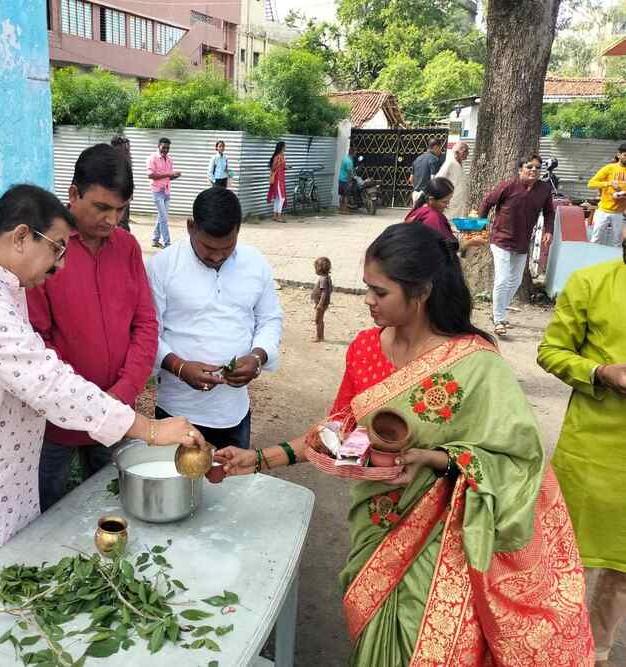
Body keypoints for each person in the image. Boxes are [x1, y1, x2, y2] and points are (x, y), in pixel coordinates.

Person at [216, 222, 593, 666]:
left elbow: (519, 459)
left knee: (424, 646)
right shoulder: (363, 349)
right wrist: (258, 458)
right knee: (375, 633)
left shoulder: (474, 363)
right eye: (366, 290)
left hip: (444, 537)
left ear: (422, 292)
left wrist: (435, 458)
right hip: (376, 525)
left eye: (380, 292)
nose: (368, 302)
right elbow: (338, 430)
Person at [0, 184, 205, 666]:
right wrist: (151, 430)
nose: (60, 266)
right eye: (56, 251)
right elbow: (47, 381)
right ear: (21, 237)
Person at [26, 144, 158, 512]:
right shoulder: (46, 251)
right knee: (45, 508)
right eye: (102, 207)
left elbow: (145, 324)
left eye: (120, 209)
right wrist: (82, 401)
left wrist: (124, 389)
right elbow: (37, 340)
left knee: (109, 503)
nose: (112, 220)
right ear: (73, 194)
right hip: (54, 420)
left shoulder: (128, 248)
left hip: (115, 411)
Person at [537, 239, 626, 665]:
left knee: (621, 575)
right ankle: (553, 649)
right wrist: (600, 371)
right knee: (568, 561)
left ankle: (597, 653)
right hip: (591, 452)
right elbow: (551, 351)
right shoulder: (591, 282)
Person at [148, 186, 283, 450]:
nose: (217, 255)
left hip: (233, 411)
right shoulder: (162, 265)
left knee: (231, 484)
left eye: (227, 247)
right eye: (208, 246)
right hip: (177, 411)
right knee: (177, 486)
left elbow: (270, 319)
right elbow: (148, 331)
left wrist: (257, 357)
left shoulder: (255, 263)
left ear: (238, 231)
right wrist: (179, 366)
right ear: (190, 227)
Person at [478, 154, 554, 337]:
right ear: (520, 170)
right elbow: (487, 203)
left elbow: (549, 212)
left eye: (537, 167)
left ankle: (500, 312)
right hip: (501, 239)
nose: (533, 170)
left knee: (516, 281)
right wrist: (480, 225)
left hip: (522, 241)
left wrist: (548, 231)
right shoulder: (508, 186)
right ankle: (498, 320)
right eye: (529, 167)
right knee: (503, 279)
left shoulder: (543, 189)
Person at [586, 142, 626, 246]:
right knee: (596, 240)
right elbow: (591, 183)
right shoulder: (609, 168)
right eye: (625, 155)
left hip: (619, 213)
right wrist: (609, 183)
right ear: (619, 155)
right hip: (603, 211)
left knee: (617, 243)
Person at [147, 137, 180, 248]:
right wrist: (169, 174)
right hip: (157, 191)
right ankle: (167, 244)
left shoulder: (170, 160)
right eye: (164, 147)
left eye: (167, 148)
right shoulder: (153, 158)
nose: (165, 150)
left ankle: (155, 240)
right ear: (159, 146)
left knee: (161, 217)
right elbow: (150, 175)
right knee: (164, 218)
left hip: (166, 192)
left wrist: (175, 176)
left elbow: (169, 178)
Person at [404, 176, 456, 242]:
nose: (447, 206)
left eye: (449, 200)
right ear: (431, 199)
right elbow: (446, 247)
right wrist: (466, 244)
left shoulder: (421, 209)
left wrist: (445, 229)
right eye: (444, 202)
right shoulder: (432, 217)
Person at [435, 142, 470, 220]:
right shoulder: (450, 163)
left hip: (460, 200)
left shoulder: (460, 164)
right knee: (450, 222)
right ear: (457, 152)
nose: (467, 154)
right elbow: (438, 179)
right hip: (452, 201)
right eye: (465, 151)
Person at [409, 138, 443, 205]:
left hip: (415, 194)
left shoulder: (417, 159)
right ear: (435, 147)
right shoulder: (434, 159)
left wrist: (417, 188)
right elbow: (433, 179)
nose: (440, 151)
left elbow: (411, 179)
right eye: (440, 148)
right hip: (426, 196)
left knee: (417, 214)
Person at [109, 135, 133, 232]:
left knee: (123, 221)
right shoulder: (111, 158)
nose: (127, 148)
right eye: (125, 146)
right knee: (120, 221)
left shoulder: (126, 157)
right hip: (116, 194)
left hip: (124, 194)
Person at [311, 256, 333, 343]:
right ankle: (321, 336)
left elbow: (324, 292)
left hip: (322, 303)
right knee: (320, 319)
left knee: (318, 320)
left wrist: (320, 304)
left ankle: (318, 337)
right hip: (323, 303)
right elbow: (329, 290)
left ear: (319, 269)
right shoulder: (327, 277)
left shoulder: (323, 279)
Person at [267, 141, 288, 223]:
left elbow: (282, 167)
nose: (286, 148)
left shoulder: (282, 156)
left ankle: (275, 216)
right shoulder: (278, 157)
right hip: (278, 180)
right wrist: (279, 164)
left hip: (281, 179)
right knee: (282, 198)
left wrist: (285, 167)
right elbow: (272, 168)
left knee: (277, 198)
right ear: (282, 147)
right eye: (285, 146)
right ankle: (278, 216)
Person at [338, 147, 357, 214]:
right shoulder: (349, 161)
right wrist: (349, 182)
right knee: (346, 196)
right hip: (346, 180)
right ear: (353, 153)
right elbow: (349, 173)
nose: (356, 154)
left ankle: (340, 209)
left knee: (341, 195)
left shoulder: (344, 158)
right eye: (355, 152)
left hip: (340, 179)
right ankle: (345, 210)